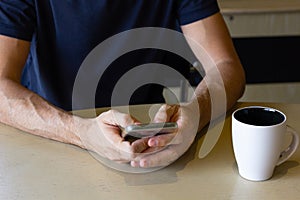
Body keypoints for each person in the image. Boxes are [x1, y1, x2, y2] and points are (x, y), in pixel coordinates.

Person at [0, 0, 245, 168]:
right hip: (51, 135)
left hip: (147, 141)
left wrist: (196, 112)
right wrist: (80, 132)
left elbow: (226, 65)